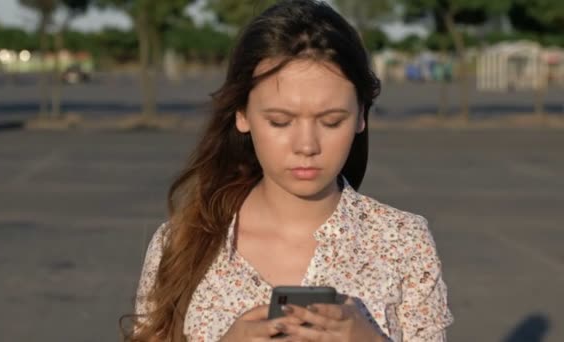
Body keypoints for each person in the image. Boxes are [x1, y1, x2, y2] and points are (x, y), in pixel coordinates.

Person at [124, 0, 454, 341]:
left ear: (361, 117)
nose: (306, 145)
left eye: (331, 121)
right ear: (242, 114)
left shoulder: (403, 241)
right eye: (280, 121)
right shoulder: (180, 242)